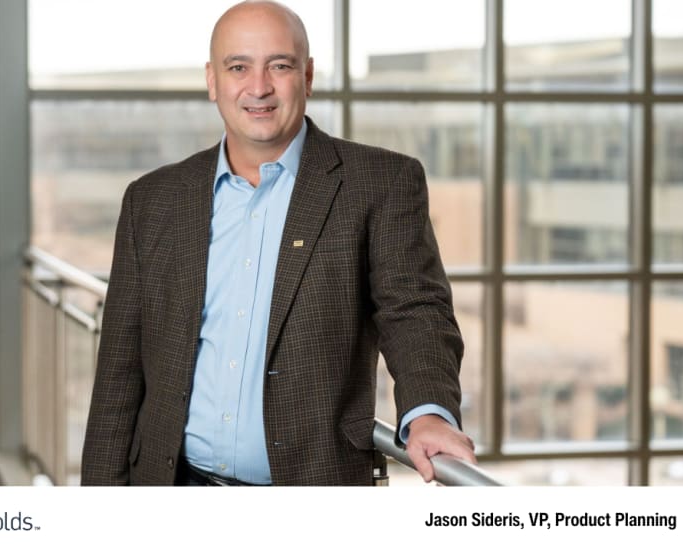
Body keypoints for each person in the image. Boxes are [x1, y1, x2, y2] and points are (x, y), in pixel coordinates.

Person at [81, 0, 475, 486]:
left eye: (280, 66)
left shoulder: (380, 182)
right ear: (212, 80)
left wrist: (428, 412)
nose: (259, 87)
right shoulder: (153, 200)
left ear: (307, 77)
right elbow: (119, 374)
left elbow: (415, 312)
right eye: (238, 67)